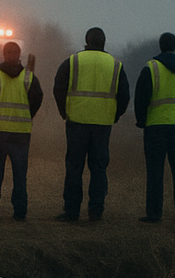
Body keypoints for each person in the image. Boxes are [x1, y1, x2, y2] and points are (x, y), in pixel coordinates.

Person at [51, 27, 129, 221]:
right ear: (104, 41)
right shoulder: (115, 65)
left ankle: (71, 211)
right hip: (102, 124)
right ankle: (96, 210)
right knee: (99, 168)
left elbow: (58, 87)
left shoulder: (73, 61)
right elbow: (125, 95)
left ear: (87, 40)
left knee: (74, 167)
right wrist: (115, 115)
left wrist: (64, 111)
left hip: (76, 122)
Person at [132, 32, 175, 222]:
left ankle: (154, 214)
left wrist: (141, 120)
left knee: (155, 172)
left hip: (155, 127)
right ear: (174, 46)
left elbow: (140, 98)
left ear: (160, 45)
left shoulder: (150, 68)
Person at [0, 41, 43, 221]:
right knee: (20, 175)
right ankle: (20, 212)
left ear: (3, 54)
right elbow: (37, 99)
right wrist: (27, 115)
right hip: (20, 133)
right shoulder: (29, 78)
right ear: (19, 54)